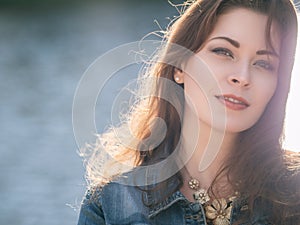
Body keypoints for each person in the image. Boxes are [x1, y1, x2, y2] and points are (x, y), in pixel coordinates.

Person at [77, 0, 300, 224]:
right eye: (223, 52)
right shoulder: (110, 205)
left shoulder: (294, 198)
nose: (242, 77)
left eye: (263, 64)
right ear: (179, 66)